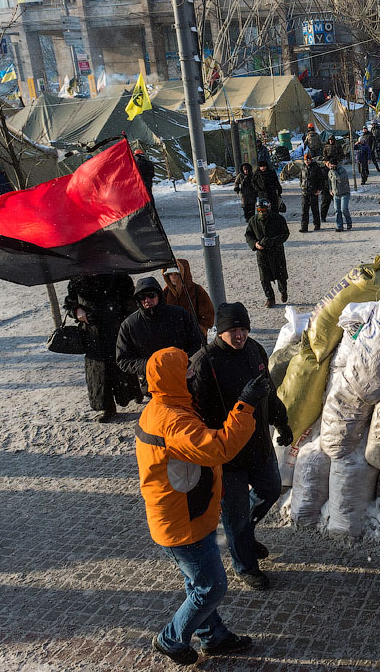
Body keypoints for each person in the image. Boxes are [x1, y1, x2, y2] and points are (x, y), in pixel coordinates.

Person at [138, 346, 267, 664]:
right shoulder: (173, 422)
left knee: (197, 583)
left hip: (181, 514)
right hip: (184, 523)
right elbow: (219, 448)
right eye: (188, 371)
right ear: (173, 379)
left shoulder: (161, 407)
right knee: (211, 587)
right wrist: (246, 406)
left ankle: (214, 637)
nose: (193, 374)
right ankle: (171, 638)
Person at [189, 303, 292, 591]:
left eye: (244, 329)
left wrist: (282, 422)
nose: (240, 335)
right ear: (220, 332)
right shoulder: (204, 362)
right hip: (226, 455)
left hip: (258, 445)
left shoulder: (255, 350)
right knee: (234, 515)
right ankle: (245, 565)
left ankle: (243, 535)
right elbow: (196, 416)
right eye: (233, 330)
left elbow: (268, 391)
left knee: (270, 490)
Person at [64, 273, 142, 423]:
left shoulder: (119, 276)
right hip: (93, 334)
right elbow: (70, 303)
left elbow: (130, 303)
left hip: (117, 331)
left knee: (122, 365)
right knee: (99, 371)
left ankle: (133, 392)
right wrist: (77, 311)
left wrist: (123, 320)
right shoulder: (77, 279)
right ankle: (107, 407)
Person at [116, 277, 206, 395]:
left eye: (151, 295)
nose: (147, 300)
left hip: (183, 375)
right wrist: (151, 365)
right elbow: (123, 359)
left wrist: (181, 361)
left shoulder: (180, 315)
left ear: (159, 295)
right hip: (152, 380)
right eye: (142, 297)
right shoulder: (129, 325)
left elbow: (198, 343)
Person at [244, 199, 290, 306]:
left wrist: (274, 241)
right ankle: (270, 298)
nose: (261, 212)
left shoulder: (278, 218)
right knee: (264, 277)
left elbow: (285, 233)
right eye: (259, 210)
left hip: (276, 252)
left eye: (263, 210)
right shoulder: (253, 220)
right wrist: (255, 244)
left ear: (268, 209)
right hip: (262, 253)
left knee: (281, 275)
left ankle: (283, 291)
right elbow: (248, 235)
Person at [161, 259, 216, 333]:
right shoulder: (166, 291)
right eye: (170, 274)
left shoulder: (196, 290)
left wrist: (200, 328)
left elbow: (208, 314)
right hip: (173, 335)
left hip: (193, 335)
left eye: (176, 274)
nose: (173, 277)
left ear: (184, 273)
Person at [299, 152, 325, 233]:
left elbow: (321, 179)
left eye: (308, 160)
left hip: (314, 191)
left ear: (311, 160)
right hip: (305, 192)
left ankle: (317, 225)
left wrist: (318, 189)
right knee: (304, 210)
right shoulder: (302, 167)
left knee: (315, 210)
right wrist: (302, 186)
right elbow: (301, 178)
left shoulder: (316, 167)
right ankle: (304, 227)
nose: (307, 161)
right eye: (306, 160)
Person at [328, 159, 353, 232]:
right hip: (336, 194)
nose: (331, 166)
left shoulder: (342, 170)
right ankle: (339, 226)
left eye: (332, 165)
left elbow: (340, 179)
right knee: (337, 210)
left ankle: (349, 222)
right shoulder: (330, 172)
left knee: (344, 209)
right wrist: (330, 190)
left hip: (344, 193)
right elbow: (330, 182)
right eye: (330, 165)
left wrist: (334, 171)